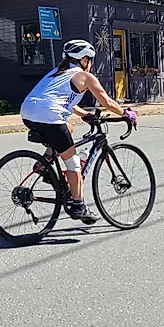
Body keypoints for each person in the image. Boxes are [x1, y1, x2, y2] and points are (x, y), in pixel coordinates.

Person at [20, 39, 138, 224]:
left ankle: (44, 166)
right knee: (73, 162)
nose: (90, 64)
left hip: (28, 113)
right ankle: (78, 206)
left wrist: (83, 114)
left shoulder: (56, 73)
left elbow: (57, 99)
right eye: (90, 60)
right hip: (49, 116)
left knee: (67, 127)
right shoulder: (85, 77)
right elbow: (107, 102)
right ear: (84, 59)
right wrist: (126, 113)